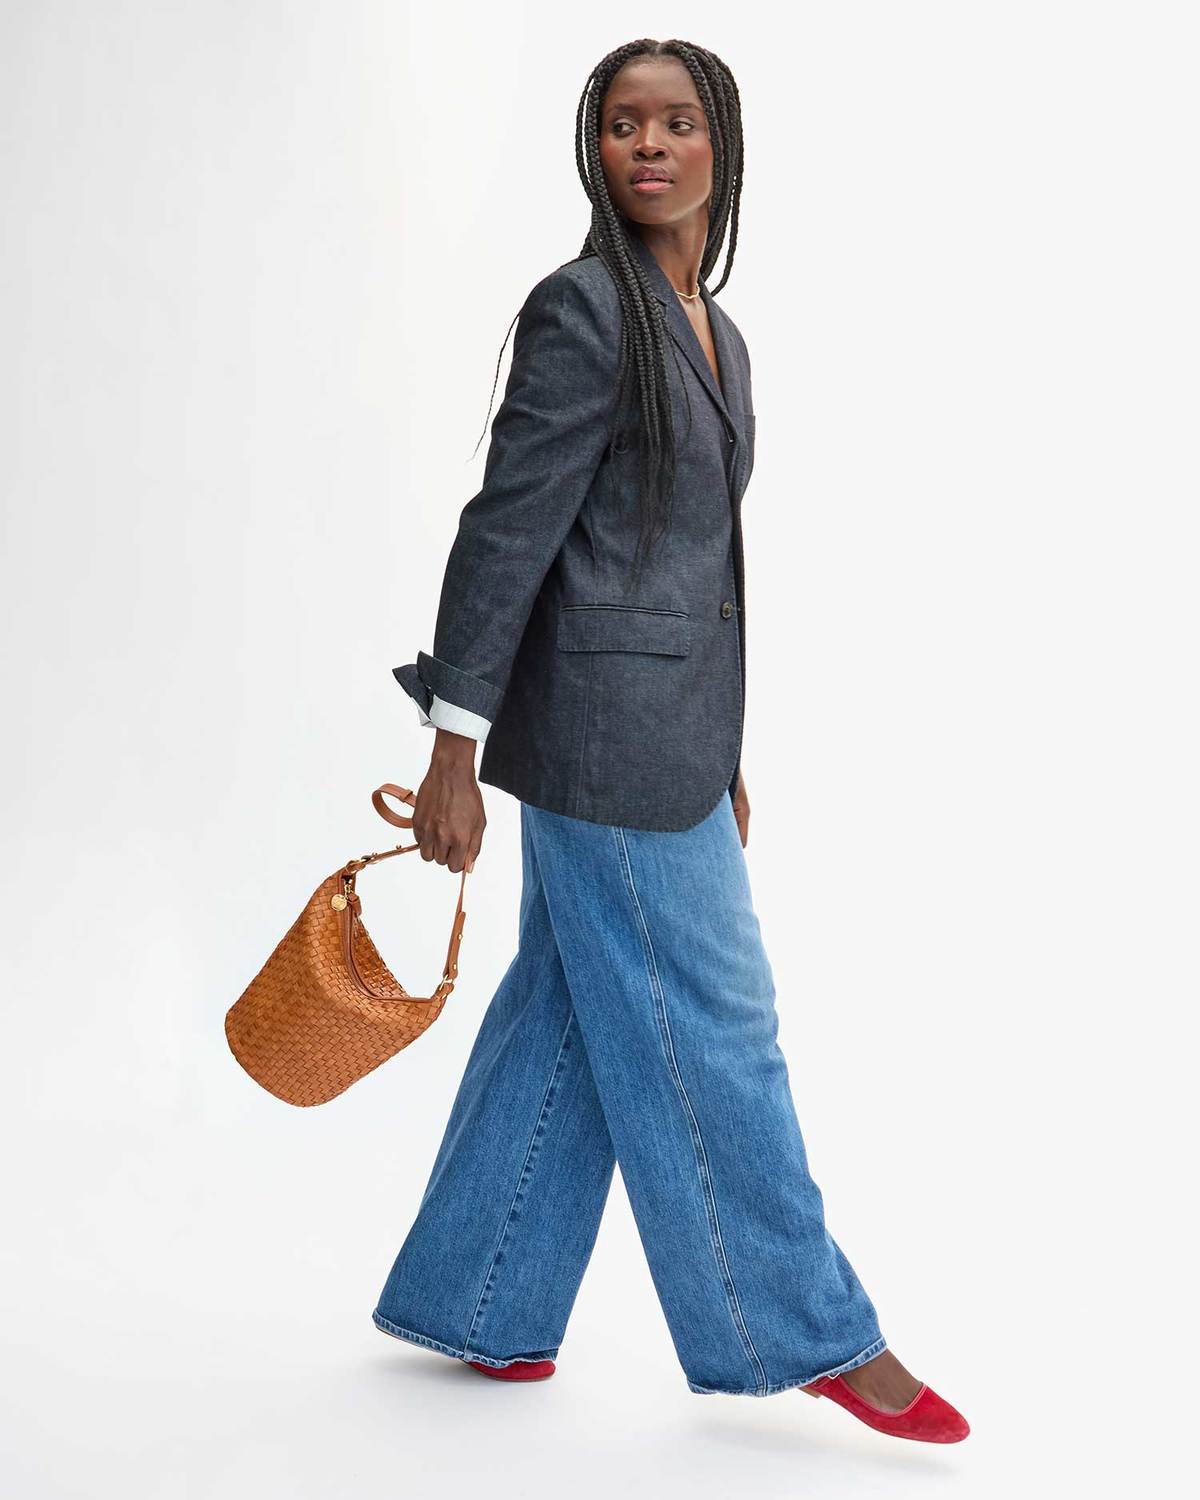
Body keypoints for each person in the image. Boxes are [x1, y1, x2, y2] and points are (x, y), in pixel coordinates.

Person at [372, 38, 969, 1445]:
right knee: (719, 1025)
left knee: (569, 1012)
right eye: (624, 123)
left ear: (721, 147)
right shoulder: (584, 311)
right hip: (600, 745)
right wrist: (454, 742)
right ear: (596, 151)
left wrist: (721, 740)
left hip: (669, 734)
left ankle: (477, 1296)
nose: (650, 144)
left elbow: (685, 562)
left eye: (678, 121)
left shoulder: (715, 329)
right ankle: (806, 1330)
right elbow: (506, 531)